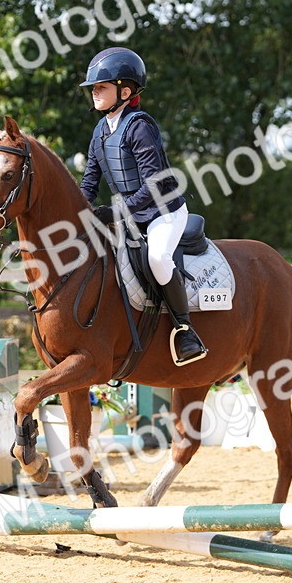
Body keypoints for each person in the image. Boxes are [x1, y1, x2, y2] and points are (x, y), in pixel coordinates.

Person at [78, 47, 207, 366]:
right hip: (133, 214)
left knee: (158, 259)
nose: (94, 92)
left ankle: (185, 329)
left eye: (101, 87)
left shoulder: (139, 125)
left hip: (164, 213)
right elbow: (90, 181)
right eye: (93, 87)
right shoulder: (100, 131)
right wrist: (78, 212)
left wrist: (117, 213)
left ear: (125, 90)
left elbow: (152, 185)